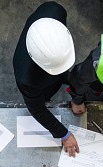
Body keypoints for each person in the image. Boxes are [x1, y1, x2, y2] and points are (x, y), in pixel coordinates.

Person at [13, 1, 79, 157]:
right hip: (39, 79)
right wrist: (64, 134)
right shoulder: (27, 79)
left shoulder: (55, 10)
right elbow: (37, 109)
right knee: (45, 96)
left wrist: (78, 96)